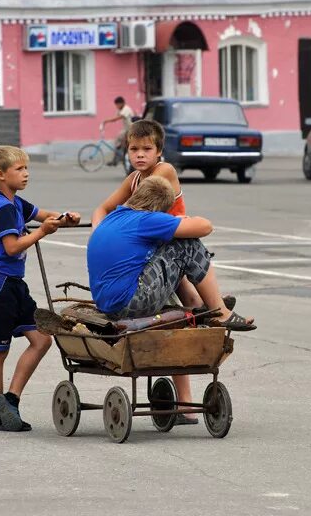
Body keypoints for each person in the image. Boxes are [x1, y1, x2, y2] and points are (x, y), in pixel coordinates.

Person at [91, 119, 214, 423]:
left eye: (147, 149)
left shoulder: (164, 172)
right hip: (152, 253)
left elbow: (148, 202)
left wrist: (113, 229)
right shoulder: (134, 179)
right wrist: (100, 230)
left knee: (184, 292)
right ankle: (205, 310)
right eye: (134, 149)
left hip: (167, 245)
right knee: (179, 313)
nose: (140, 155)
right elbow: (103, 208)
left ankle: (203, 310)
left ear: (160, 152)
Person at [0, 145, 81, 432]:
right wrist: (41, 232)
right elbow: (11, 248)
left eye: (26, 168)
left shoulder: (16, 202)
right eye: (20, 169)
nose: (26, 174)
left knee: (42, 340)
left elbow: (43, 214)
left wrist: (64, 217)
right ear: (1, 174)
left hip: (14, 286)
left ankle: (11, 399)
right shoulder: (4, 209)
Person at [87, 175, 255, 335]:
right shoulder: (147, 219)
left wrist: (174, 224)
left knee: (168, 246)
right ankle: (222, 313)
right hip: (130, 304)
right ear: (159, 210)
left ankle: (195, 304)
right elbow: (205, 227)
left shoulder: (115, 216)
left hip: (108, 304)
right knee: (188, 245)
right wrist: (184, 219)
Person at [101, 96, 137, 164]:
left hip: (131, 129)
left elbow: (118, 118)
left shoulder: (126, 109)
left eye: (117, 104)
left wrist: (106, 121)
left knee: (118, 140)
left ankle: (117, 159)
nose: (116, 106)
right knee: (119, 142)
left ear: (121, 103)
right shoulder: (121, 109)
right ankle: (119, 156)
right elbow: (115, 117)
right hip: (126, 129)